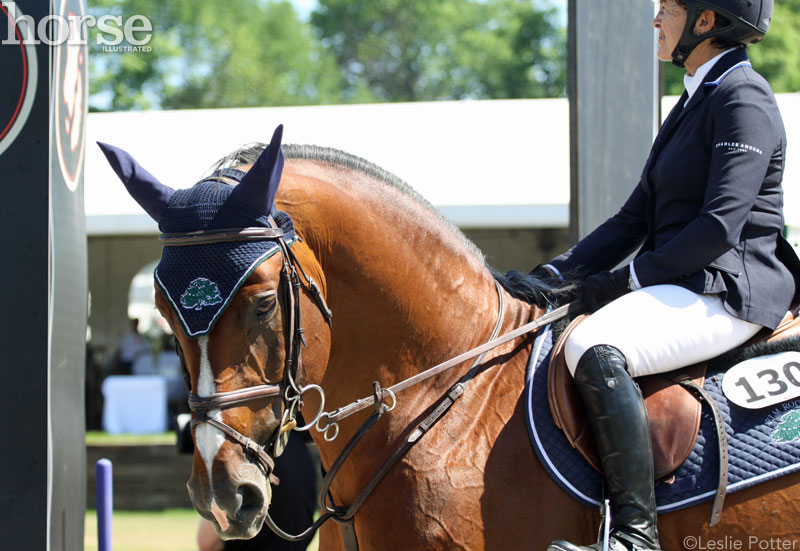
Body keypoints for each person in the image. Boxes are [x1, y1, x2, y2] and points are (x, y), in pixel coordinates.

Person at [534, 2, 800, 550]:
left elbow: (718, 227)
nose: (656, 20)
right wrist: (551, 275)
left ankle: (635, 535)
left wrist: (628, 279)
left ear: (706, 21)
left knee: (594, 341)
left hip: (732, 290)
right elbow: (634, 218)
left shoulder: (744, 97)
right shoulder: (694, 99)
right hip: (682, 284)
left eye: (668, 10)